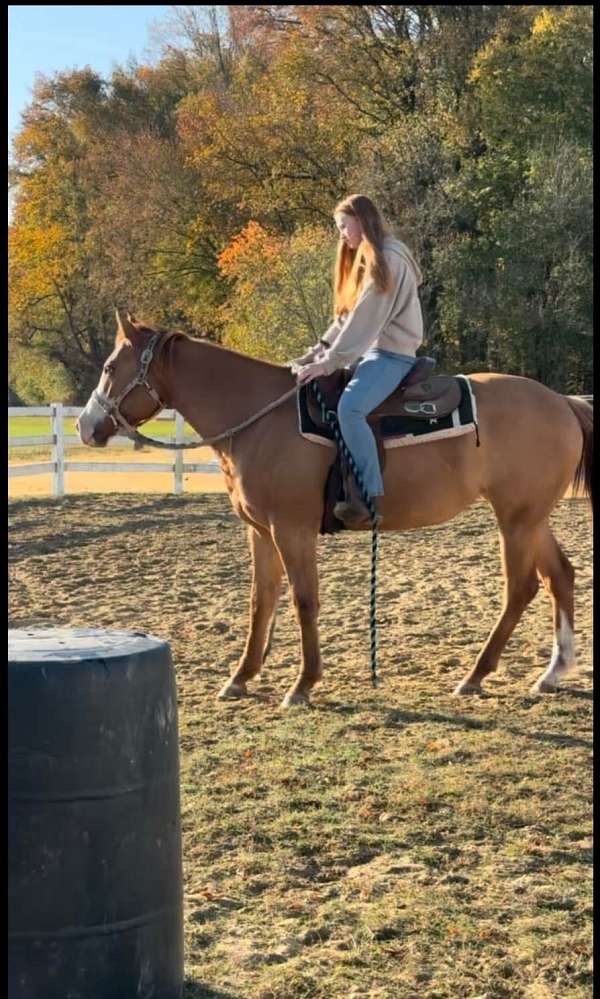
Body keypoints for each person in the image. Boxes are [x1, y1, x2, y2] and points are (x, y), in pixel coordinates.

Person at [291, 194, 424, 527]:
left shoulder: (388, 261)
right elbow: (347, 318)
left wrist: (330, 361)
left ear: (361, 221)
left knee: (350, 410)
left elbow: (365, 320)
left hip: (391, 355)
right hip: (373, 353)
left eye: (343, 226)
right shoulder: (372, 258)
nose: (342, 235)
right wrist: (315, 352)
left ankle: (367, 494)